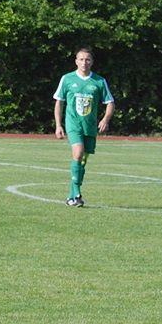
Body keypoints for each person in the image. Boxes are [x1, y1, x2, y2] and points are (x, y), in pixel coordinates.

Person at [53, 47, 114, 207]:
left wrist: (105, 119)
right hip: (73, 125)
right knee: (78, 153)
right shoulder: (67, 79)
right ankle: (77, 195)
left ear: (92, 62)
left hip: (90, 127)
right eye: (81, 59)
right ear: (76, 61)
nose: (84, 62)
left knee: (82, 162)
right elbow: (59, 102)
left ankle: (72, 196)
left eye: (87, 59)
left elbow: (110, 103)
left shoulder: (99, 81)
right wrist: (59, 125)